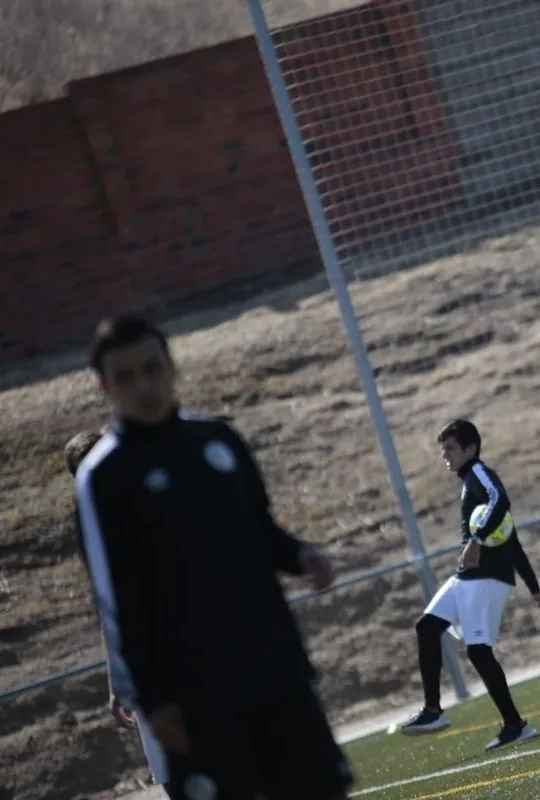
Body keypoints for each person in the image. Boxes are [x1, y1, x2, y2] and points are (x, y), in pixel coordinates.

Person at [74, 314, 353, 800]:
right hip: (195, 701)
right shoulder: (104, 476)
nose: (144, 386)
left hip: (275, 670)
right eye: (126, 377)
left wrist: (303, 555)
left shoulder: (217, 440)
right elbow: (117, 599)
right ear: (103, 387)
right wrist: (154, 700)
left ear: (171, 366)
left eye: (152, 368)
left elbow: (263, 531)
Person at [399, 419, 540, 751]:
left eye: (450, 449)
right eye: (443, 450)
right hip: (465, 577)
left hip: (488, 578)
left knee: (479, 653)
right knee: (426, 627)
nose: (445, 456)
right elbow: (514, 541)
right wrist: (535, 590)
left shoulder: (481, 474)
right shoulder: (469, 483)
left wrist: (477, 539)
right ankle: (433, 710)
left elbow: (502, 501)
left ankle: (515, 725)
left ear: (471, 449)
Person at [66, 430, 174, 799]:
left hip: (188, 646)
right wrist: (116, 681)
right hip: (147, 660)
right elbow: (108, 605)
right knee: (172, 770)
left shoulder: (149, 496)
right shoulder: (90, 527)